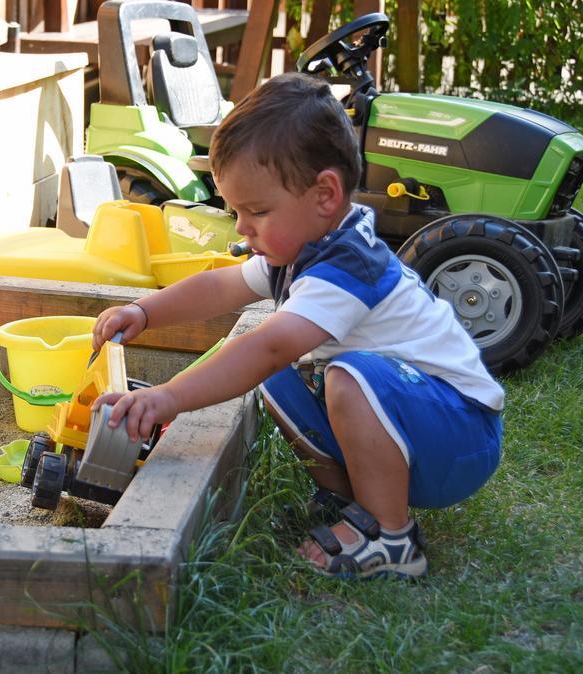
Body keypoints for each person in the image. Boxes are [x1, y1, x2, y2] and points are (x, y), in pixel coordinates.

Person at [91, 72, 503, 579]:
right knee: (282, 380)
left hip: (460, 433)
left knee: (342, 376)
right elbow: (220, 287)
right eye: (235, 210)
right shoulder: (303, 247)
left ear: (325, 195)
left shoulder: (350, 265)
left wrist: (168, 397)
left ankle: (392, 537)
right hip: (418, 427)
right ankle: (346, 501)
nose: (242, 227)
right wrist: (147, 311)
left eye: (256, 211)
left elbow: (269, 345)